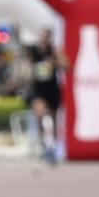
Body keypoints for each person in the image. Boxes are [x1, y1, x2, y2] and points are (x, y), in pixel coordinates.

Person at [25, 30, 65, 165]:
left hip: (52, 88)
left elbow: (67, 66)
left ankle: (53, 147)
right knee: (40, 115)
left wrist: (55, 62)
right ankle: (44, 147)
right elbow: (27, 68)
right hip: (39, 89)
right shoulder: (33, 52)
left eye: (46, 37)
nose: (43, 40)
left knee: (53, 119)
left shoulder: (54, 51)